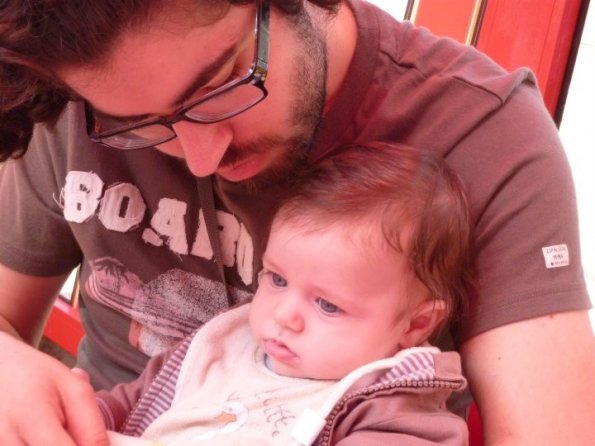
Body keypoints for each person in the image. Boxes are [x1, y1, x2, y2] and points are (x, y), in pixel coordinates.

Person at [0, 1, 593, 445]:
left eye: (223, 84)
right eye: (141, 124)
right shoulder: (76, 95)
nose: (202, 158)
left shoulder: (486, 138)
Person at [99, 143, 472, 445]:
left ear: (416, 324)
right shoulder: (221, 346)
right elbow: (130, 403)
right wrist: (86, 418)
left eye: (327, 305)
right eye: (277, 279)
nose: (283, 315)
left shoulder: (393, 412)